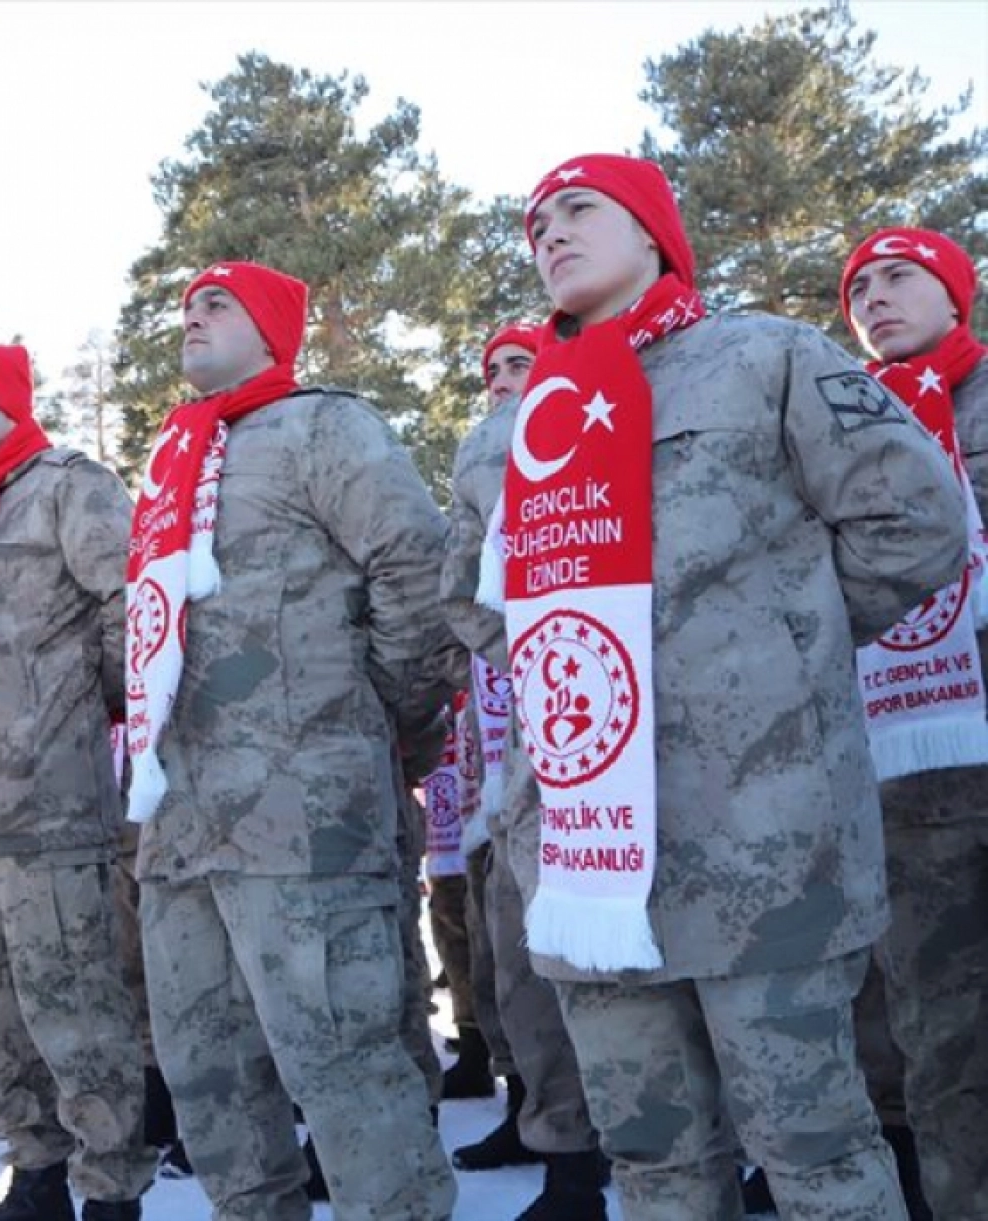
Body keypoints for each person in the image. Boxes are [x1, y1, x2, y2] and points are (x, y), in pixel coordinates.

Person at [446, 153, 966, 1221]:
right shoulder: (506, 431)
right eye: (534, 223)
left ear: (652, 233)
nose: (548, 232)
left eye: (577, 209)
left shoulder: (761, 358)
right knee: (652, 1163)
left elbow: (915, 522)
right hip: (587, 867)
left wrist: (785, 645)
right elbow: (474, 601)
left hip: (757, 842)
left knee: (812, 1152)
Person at [127, 260, 460, 1221]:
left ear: (272, 325)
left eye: (215, 304)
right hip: (182, 826)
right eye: (185, 308)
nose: (191, 319)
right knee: (210, 1081)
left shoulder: (326, 427)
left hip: (302, 816)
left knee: (346, 1072)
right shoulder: (171, 462)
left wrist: (376, 716)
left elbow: (415, 569)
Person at [0, 343, 155, 1221]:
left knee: (76, 1009)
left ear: (10, 401)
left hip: (49, 802)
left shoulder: (68, 484)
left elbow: (131, 602)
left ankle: (109, 1186)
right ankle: (40, 1170)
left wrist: (72, 711)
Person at [442, 320, 612, 1219]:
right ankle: (542, 1119)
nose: (507, 378)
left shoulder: (597, 448)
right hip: (511, 773)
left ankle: (587, 1151)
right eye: (494, 369)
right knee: (513, 960)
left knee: (584, 967)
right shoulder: (479, 482)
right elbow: (461, 603)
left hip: (601, 763)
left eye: (522, 363)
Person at [840, 225, 988, 1220]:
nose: (874, 299)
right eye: (857, 289)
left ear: (952, 294)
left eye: (898, 278)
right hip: (911, 775)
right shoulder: (847, 422)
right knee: (941, 1030)